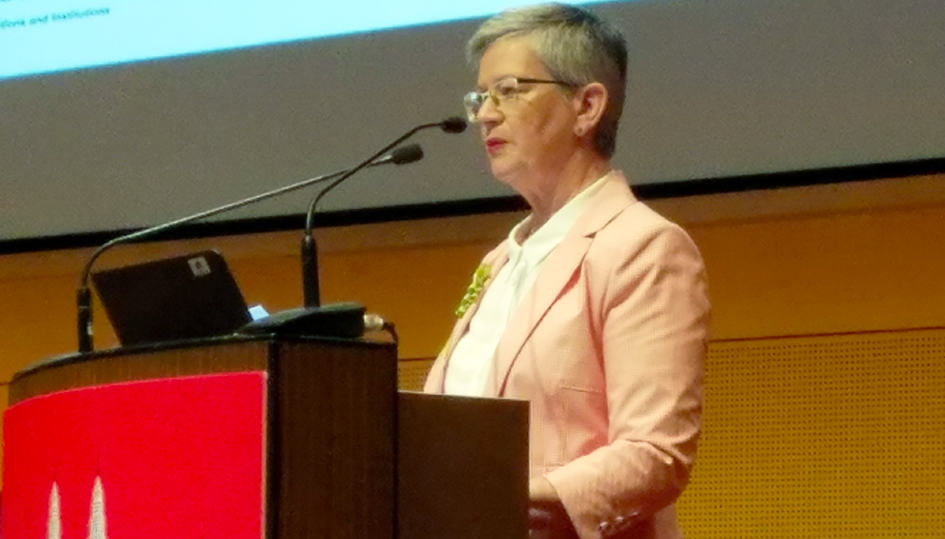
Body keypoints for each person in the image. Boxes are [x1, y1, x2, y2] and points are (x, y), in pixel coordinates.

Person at [423, 4, 710, 538]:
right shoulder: (502, 260)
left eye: (509, 89)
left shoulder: (642, 247)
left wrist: (492, 491)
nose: (485, 113)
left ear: (587, 106)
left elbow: (654, 455)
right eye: (481, 96)